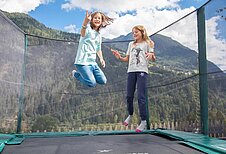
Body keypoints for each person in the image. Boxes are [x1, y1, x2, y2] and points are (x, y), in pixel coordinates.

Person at [111, 25, 156, 132]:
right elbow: (127, 58)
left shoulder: (148, 43)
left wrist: (151, 55)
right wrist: (119, 57)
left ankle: (143, 121)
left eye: (136, 32)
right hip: (131, 71)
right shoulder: (131, 44)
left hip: (142, 71)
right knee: (129, 96)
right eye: (133, 32)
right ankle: (130, 114)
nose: (134, 34)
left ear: (142, 32)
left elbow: (153, 58)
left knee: (141, 96)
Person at [72, 11, 113, 87]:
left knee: (103, 81)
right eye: (95, 18)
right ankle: (76, 74)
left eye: (99, 18)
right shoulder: (87, 29)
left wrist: (101, 59)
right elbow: (82, 33)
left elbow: (98, 49)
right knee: (92, 83)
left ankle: (90, 74)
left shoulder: (99, 35)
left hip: (93, 63)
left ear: (101, 21)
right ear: (91, 20)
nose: (97, 19)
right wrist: (85, 23)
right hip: (82, 62)